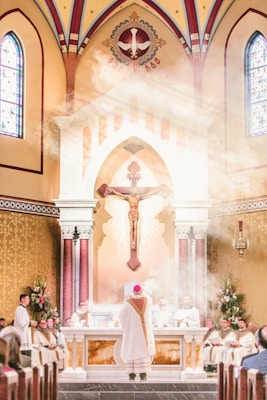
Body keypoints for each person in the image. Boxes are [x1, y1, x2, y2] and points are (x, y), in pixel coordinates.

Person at [103, 185, 162, 250]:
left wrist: (154, 191)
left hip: (136, 213)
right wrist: (113, 191)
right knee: (131, 228)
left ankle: (134, 242)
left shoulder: (138, 197)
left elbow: (146, 195)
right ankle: (132, 242)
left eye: (134, 191)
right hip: (131, 213)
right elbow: (120, 195)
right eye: (132, 191)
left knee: (135, 227)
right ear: (131, 192)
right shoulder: (128, 197)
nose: (133, 192)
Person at [119, 284, 155, 381]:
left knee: (132, 350)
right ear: (142, 291)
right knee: (143, 351)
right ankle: (143, 373)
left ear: (133, 292)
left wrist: (127, 328)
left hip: (132, 334)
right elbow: (148, 297)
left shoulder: (128, 303)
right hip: (144, 333)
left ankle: (132, 374)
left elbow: (121, 316)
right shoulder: (148, 301)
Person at [14, 293, 36, 358]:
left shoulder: (23, 309)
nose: (29, 300)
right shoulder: (19, 309)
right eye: (27, 298)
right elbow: (21, 323)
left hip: (25, 336)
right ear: (22, 299)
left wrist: (30, 322)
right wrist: (30, 323)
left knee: (27, 354)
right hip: (22, 335)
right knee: (24, 355)